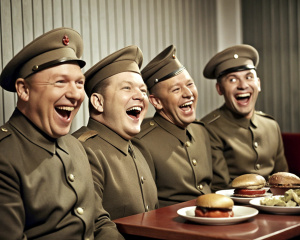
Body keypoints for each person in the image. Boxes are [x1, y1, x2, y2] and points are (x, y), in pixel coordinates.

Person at [0, 27, 123, 240]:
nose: (76, 94)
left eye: (79, 83)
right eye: (60, 82)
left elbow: (99, 220)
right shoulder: (5, 155)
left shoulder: (75, 145)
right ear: (24, 90)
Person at [72, 45, 158, 220]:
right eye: (127, 88)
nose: (140, 96)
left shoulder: (139, 150)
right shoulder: (82, 150)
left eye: (143, 90)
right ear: (98, 102)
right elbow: (94, 224)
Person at [201, 44, 289, 192]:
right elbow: (221, 189)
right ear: (219, 89)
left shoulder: (271, 125)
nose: (243, 85)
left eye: (249, 77)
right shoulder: (208, 128)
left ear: (258, 84)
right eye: (232, 80)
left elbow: (284, 181)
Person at [133, 45, 213, 208]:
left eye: (190, 84)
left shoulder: (201, 130)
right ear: (156, 101)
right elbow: (148, 206)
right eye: (176, 89)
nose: (188, 93)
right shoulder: (142, 141)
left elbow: (216, 189)